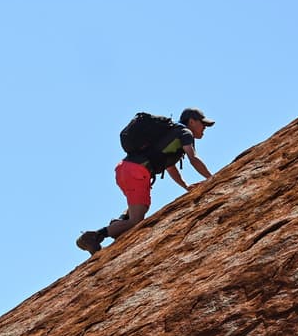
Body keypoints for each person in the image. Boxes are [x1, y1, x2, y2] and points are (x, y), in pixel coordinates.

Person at [77, 108, 215, 255]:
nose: (204, 128)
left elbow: (169, 166)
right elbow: (193, 158)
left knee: (136, 210)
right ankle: (95, 236)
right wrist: (212, 178)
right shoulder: (185, 133)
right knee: (136, 221)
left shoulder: (170, 133)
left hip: (124, 169)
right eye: (203, 124)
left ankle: (120, 222)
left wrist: (185, 186)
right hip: (137, 172)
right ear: (192, 121)